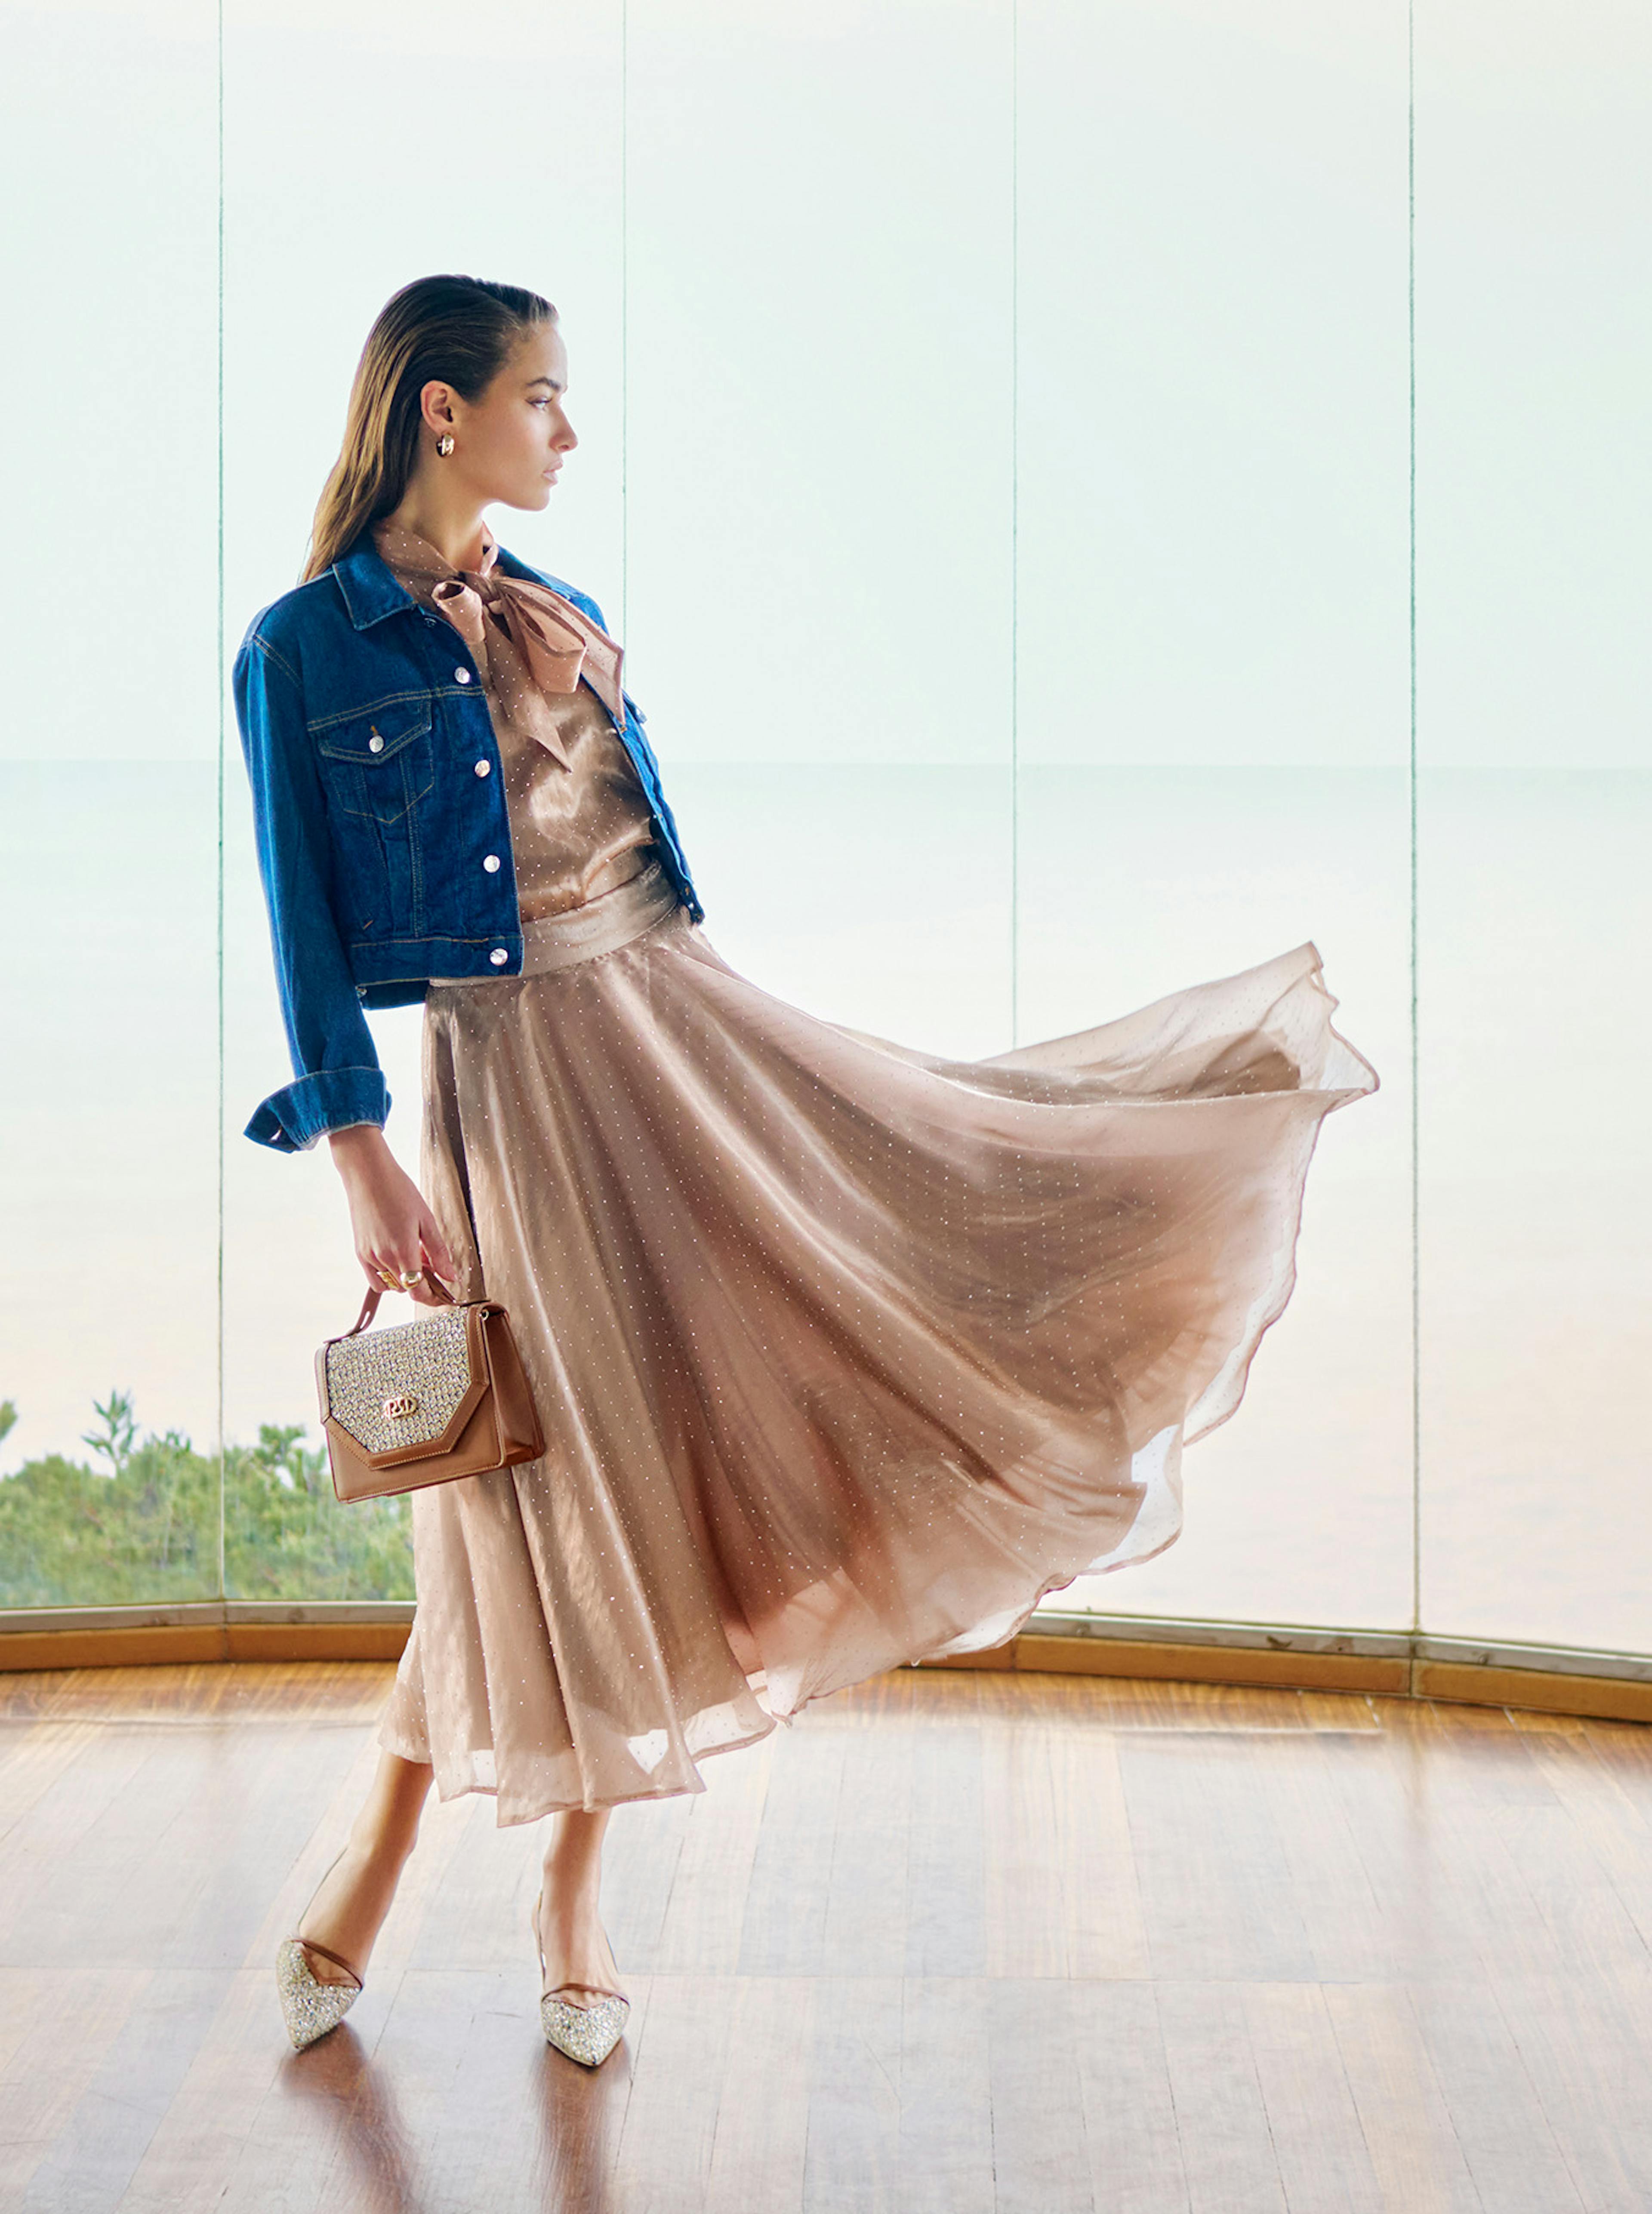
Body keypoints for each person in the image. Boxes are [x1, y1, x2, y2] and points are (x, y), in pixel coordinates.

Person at [237, 272, 1376, 2067]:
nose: (569, 430)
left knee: (717, 1420)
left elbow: (641, 864)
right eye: (542, 395)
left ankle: (552, 1899)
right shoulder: (302, 650)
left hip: (678, 1042)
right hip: (510, 1087)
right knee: (531, 1496)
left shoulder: (571, 614)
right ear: (440, 411)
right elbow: (307, 939)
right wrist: (363, 1161)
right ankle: (402, 1891)